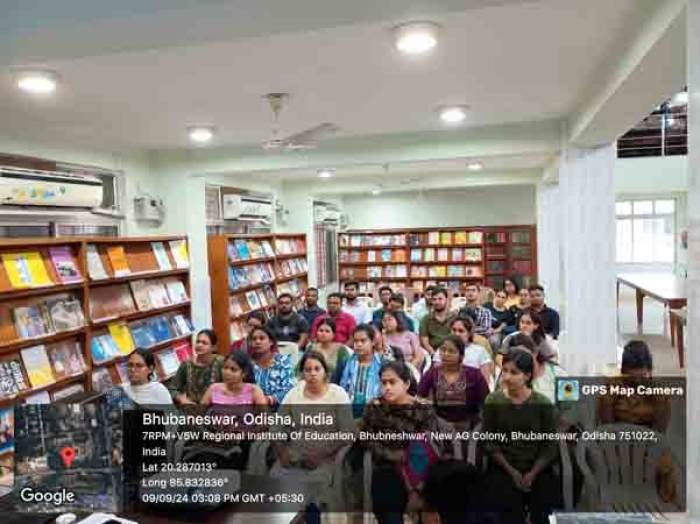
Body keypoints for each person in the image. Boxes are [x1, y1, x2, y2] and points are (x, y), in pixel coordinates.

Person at [361, 361, 454, 524]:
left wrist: (417, 488)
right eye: (384, 383)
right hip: (388, 467)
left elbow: (430, 446)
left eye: (392, 382)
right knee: (388, 508)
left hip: (422, 470)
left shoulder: (423, 409)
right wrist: (394, 455)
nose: (387, 388)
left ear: (406, 384)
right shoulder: (375, 407)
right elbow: (366, 438)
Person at [482, 350, 560, 524]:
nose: (507, 377)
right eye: (505, 371)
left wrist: (532, 473)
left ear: (527, 376)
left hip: (537, 468)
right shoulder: (493, 401)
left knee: (542, 510)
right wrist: (512, 471)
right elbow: (489, 441)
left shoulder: (542, 403)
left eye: (514, 372)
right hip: (503, 467)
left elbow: (549, 445)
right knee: (508, 510)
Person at [596, 340, 676, 504]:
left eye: (643, 376)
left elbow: (660, 430)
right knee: (616, 466)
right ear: (624, 371)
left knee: (665, 466)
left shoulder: (658, 390)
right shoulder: (612, 386)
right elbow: (607, 426)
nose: (638, 382)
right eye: (633, 377)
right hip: (617, 440)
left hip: (648, 439)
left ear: (650, 370)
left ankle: (657, 504)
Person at [271, 351, 355, 488]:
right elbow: (276, 426)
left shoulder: (338, 394)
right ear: (302, 374)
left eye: (317, 369)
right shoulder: (294, 393)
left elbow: (348, 433)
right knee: (275, 485)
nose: (313, 373)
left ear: (325, 372)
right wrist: (282, 452)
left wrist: (322, 456)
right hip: (295, 455)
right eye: (308, 370)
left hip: (328, 458)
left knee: (310, 494)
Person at [418, 335, 488, 427]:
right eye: (443, 350)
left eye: (451, 351)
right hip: (439, 425)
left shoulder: (474, 374)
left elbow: (486, 402)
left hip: (469, 425)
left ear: (461, 355)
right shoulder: (432, 373)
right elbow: (419, 398)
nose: (446, 354)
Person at [335, 324, 384, 418]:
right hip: (347, 410)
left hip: (374, 412)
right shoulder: (345, 363)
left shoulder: (383, 364)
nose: (359, 344)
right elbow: (336, 386)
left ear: (373, 342)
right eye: (356, 341)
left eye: (363, 341)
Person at [173, 329, 225, 405]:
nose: (199, 345)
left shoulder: (221, 363)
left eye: (204, 343)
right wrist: (181, 399)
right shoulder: (186, 364)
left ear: (213, 347)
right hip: (191, 409)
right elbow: (172, 388)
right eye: (198, 342)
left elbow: (231, 387)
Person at [433, 317, 492, 383]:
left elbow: (485, 381)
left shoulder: (480, 351)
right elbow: (436, 376)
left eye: (461, 331)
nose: (456, 334)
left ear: (469, 333)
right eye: (454, 330)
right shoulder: (442, 349)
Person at [248, 326, 295, 407]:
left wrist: (269, 399)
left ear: (271, 342)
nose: (257, 341)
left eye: (262, 338)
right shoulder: (248, 363)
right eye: (254, 339)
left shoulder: (283, 361)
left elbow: (290, 389)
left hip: (280, 410)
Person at [201, 350, 267, 407]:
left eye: (233, 369)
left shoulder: (254, 390)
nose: (227, 373)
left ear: (244, 373)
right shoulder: (214, 388)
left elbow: (264, 418)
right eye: (225, 367)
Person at [419, 288, 455, 356]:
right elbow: (425, 343)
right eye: (434, 299)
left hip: (451, 353)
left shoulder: (454, 318)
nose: (437, 302)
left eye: (440, 299)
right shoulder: (426, 319)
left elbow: (458, 339)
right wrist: (434, 355)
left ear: (446, 300)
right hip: (432, 353)